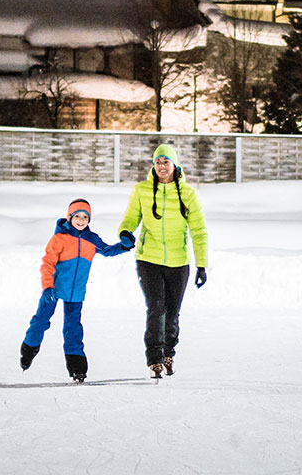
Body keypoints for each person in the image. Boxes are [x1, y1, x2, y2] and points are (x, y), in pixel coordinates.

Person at [118, 144, 209, 379]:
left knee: (172, 312)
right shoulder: (142, 190)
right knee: (156, 308)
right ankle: (155, 359)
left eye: (165, 162)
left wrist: (201, 264)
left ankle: (169, 353)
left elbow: (199, 231)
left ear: (174, 164)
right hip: (148, 258)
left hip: (179, 262)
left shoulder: (188, 194)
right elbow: (130, 218)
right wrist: (126, 232)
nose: (161, 166)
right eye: (158, 162)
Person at [20, 198, 132, 382]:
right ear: (69, 217)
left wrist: (124, 246)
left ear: (89, 220)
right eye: (77, 216)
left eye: (85, 217)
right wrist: (48, 286)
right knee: (41, 321)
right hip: (54, 290)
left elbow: (108, 250)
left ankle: (77, 368)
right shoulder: (59, 239)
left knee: (73, 329)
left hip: (76, 293)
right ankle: (28, 350)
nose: (81, 220)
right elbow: (47, 264)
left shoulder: (91, 239)